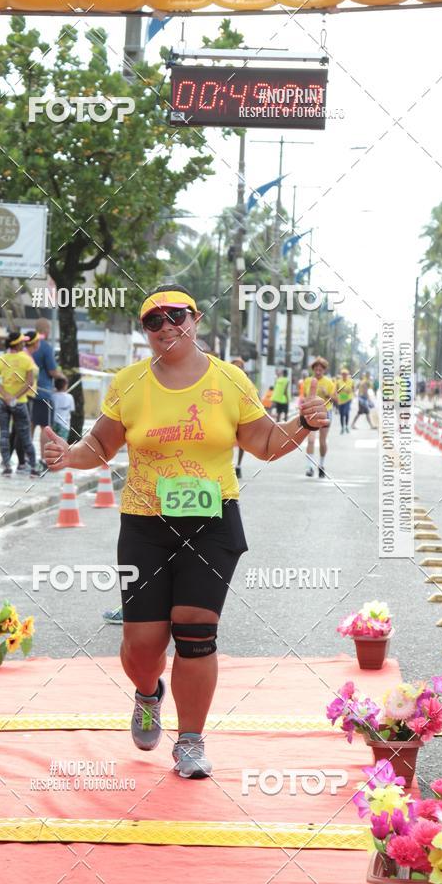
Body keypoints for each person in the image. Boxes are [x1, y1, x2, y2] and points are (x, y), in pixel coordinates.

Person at [43, 286, 328, 779]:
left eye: (176, 315)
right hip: (144, 524)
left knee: (196, 630)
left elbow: (262, 442)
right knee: (142, 647)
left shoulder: (229, 379)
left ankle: (191, 740)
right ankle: (149, 692)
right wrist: (70, 456)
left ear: (195, 319)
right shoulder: (129, 383)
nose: (166, 326)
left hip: (213, 520)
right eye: (154, 321)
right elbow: (101, 444)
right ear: (145, 332)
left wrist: (301, 423)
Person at [0, 331, 39, 477]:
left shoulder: (0, 359)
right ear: (19, 344)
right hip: (20, 402)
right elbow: (30, 382)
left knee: (4, 434)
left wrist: (5, 395)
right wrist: (15, 397)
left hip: (2, 402)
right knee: (25, 435)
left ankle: (6, 466)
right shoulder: (26, 360)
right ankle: (33, 467)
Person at [30, 317, 61, 468]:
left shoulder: (27, 346)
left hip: (27, 393)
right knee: (44, 427)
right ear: (45, 330)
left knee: (29, 425)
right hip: (43, 392)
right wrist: (63, 377)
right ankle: (43, 459)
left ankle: (26, 459)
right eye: (48, 329)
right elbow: (52, 370)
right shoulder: (46, 347)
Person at [302, 357, 338, 478]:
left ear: (324, 371)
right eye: (316, 369)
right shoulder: (307, 381)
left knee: (322, 441)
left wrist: (326, 393)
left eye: (320, 370)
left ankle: (321, 465)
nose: (318, 372)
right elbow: (303, 397)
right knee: (311, 440)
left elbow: (336, 399)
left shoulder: (329, 383)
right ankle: (310, 467)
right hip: (311, 414)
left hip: (325, 412)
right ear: (313, 370)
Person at [231, 357, 246, 478]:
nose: (237, 368)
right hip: (228, 417)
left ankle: (239, 466)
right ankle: (228, 466)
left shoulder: (246, 383)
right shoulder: (224, 380)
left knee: (242, 443)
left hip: (242, 416)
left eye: (240, 366)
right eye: (235, 366)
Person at [51, 376, 75, 442]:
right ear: (65, 386)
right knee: (62, 444)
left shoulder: (52, 396)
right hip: (64, 425)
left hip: (53, 423)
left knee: (53, 443)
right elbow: (72, 410)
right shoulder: (70, 397)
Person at [335, 367, 354, 434]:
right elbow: (336, 390)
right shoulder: (338, 381)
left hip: (348, 399)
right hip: (341, 399)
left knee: (346, 412)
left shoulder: (351, 381)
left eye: (345, 374)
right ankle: (342, 427)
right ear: (341, 375)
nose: (344, 375)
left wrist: (351, 392)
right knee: (341, 414)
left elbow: (353, 389)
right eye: (343, 374)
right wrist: (336, 396)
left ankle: (346, 426)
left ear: (347, 375)